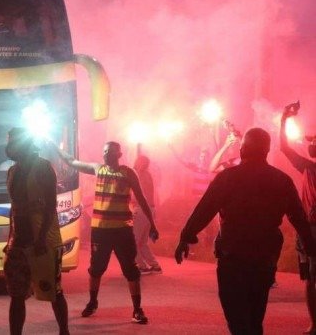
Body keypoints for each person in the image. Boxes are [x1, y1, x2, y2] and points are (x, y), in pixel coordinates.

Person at [175, 127, 316, 335]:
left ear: (243, 150)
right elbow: (298, 217)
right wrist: (311, 247)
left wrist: (186, 236)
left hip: (233, 256)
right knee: (255, 315)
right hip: (265, 258)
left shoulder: (228, 178)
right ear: (266, 151)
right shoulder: (281, 180)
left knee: (237, 318)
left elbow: (205, 208)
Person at [54, 141, 157, 324]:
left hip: (122, 230)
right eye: (104, 151)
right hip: (100, 230)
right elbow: (72, 161)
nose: (105, 154)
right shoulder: (98, 169)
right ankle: (93, 302)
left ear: (119, 154)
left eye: (109, 151)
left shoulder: (128, 173)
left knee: (131, 270)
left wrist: (153, 226)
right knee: (96, 269)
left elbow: (142, 199)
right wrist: (54, 145)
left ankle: (137, 310)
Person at [4, 128, 69, 335]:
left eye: (13, 142)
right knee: (16, 295)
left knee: (53, 291)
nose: (9, 146)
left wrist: (41, 239)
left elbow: (51, 207)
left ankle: (64, 331)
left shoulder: (43, 168)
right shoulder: (13, 171)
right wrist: (9, 240)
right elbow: (13, 208)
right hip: (19, 242)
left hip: (43, 241)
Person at [280, 102, 316, 334]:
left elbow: (284, 147)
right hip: (310, 228)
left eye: (313, 141)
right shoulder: (309, 167)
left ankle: (315, 324)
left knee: (312, 279)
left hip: (311, 229)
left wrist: (284, 119)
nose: (310, 143)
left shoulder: (310, 168)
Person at [133, 152, 161, 274]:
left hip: (142, 210)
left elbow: (138, 196)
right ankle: (154, 265)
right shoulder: (147, 175)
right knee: (142, 242)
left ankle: (141, 266)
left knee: (133, 240)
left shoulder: (139, 176)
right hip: (149, 210)